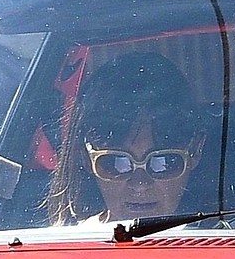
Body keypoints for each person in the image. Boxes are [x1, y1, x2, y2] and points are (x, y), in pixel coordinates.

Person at [46, 53, 214, 225]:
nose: (140, 184)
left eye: (163, 163)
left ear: (194, 151)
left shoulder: (231, 241)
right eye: (115, 164)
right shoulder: (62, 245)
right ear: (86, 158)